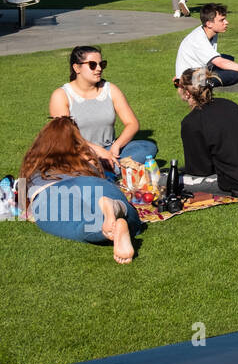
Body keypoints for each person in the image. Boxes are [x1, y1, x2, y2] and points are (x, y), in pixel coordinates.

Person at [19, 117, 142, 263]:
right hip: (91, 182)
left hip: (50, 192)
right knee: (131, 217)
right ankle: (117, 207)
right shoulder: (85, 155)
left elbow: (22, 200)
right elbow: (104, 173)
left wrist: (26, 208)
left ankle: (103, 229)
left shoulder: (32, 162)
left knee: (79, 224)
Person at [48, 46, 157, 177]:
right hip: (78, 152)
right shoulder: (61, 95)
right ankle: (113, 171)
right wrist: (98, 152)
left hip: (109, 149)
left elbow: (132, 123)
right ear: (77, 68)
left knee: (147, 147)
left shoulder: (110, 89)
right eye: (92, 65)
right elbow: (67, 137)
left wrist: (117, 145)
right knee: (77, 161)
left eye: (102, 64)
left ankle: (104, 171)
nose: (99, 68)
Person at [174, 67, 238, 196]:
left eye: (177, 84)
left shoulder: (191, 122)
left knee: (173, 180)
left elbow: (200, 170)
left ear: (187, 93)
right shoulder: (228, 104)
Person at [175, 3, 238, 90]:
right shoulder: (198, 39)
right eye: (222, 20)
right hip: (193, 79)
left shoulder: (211, 31)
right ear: (209, 24)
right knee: (235, 73)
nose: (226, 22)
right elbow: (220, 62)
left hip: (204, 70)